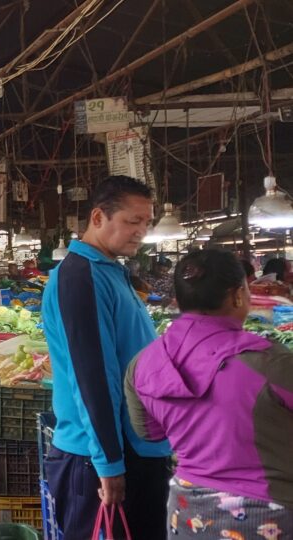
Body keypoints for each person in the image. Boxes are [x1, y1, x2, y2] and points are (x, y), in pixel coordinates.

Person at [41, 175, 173, 540]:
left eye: (146, 222)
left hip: (133, 447)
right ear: (98, 217)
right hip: (101, 458)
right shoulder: (80, 277)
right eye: (133, 221)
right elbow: (94, 376)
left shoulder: (109, 271)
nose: (141, 231)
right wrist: (109, 464)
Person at [126, 249, 293, 535]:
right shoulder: (272, 363)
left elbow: (149, 432)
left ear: (179, 300)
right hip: (267, 516)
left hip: (188, 514)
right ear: (237, 295)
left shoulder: (142, 364)